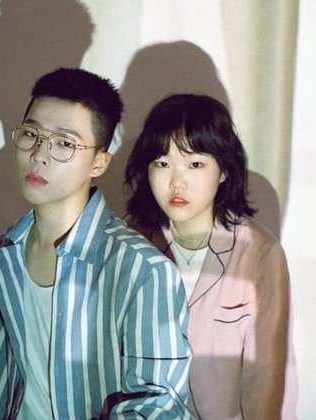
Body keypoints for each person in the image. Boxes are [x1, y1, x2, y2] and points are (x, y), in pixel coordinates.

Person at [0, 68, 192, 419]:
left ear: (99, 163)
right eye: (31, 134)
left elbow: (155, 408)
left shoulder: (143, 270)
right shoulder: (7, 252)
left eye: (64, 143)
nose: (40, 154)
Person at [125, 94, 298, 419]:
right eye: (162, 163)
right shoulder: (128, 244)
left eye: (195, 164)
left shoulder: (259, 253)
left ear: (223, 171)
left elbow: (265, 379)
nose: (176, 182)